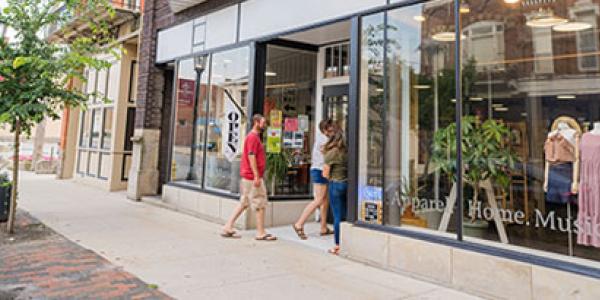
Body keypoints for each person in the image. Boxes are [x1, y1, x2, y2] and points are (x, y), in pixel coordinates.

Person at [221, 114, 276, 241]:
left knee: (244, 202)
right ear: (256, 122)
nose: (265, 125)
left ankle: (228, 226)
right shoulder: (252, 138)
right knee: (260, 203)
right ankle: (261, 232)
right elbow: (251, 156)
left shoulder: (254, 137)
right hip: (252, 177)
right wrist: (257, 176)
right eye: (263, 122)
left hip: (249, 176)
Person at [292, 119, 336, 239]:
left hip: (320, 170)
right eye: (330, 128)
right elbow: (328, 153)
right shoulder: (323, 140)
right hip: (319, 171)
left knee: (324, 200)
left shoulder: (324, 138)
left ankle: (323, 227)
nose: (333, 130)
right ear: (324, 130)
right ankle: (299, 223)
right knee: (319, 199)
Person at [322, 129, 347, 255]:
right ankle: (347, 242)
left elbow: (325, 174)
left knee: (337, 216)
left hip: (336, 184)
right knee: (346, 215)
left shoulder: (332, 153)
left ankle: (337, 245)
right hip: (348, 185)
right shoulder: (348, 152)